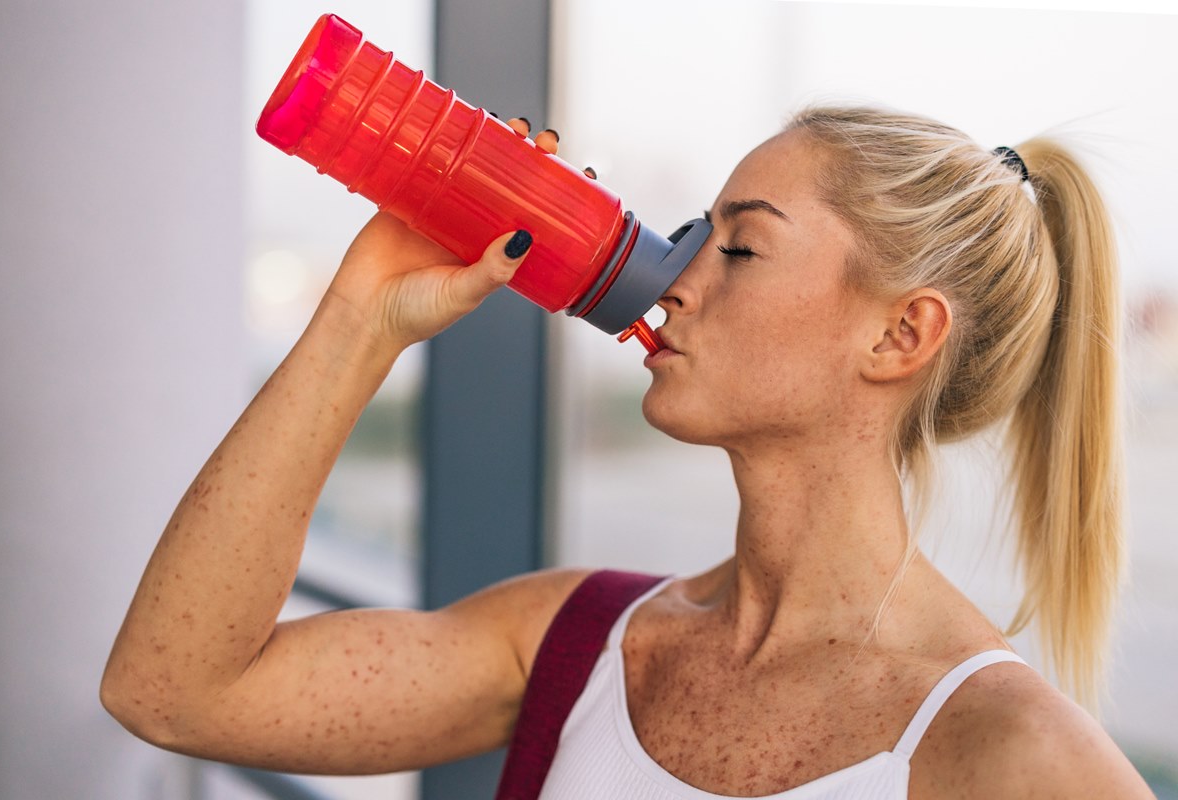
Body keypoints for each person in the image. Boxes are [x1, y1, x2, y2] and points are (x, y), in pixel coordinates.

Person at [101, 108, 1154, 798]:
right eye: (693, 233)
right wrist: (359, 318)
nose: (673, 279)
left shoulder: (1016, 753)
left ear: (899, 335)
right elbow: (173, 689)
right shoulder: (576, 640)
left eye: (739, 246)